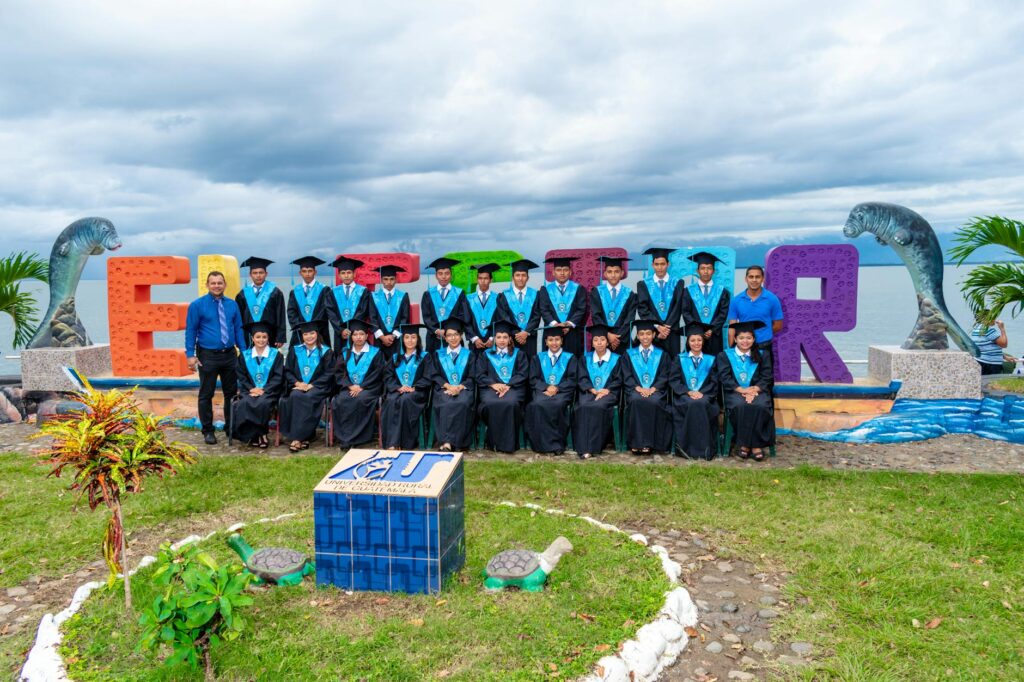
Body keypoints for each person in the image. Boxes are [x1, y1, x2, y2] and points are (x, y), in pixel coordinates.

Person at [185, 271, 246, 445]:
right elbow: (191, 331)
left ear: (224, 284)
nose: (217, 286)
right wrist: (190, 355)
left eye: (220, 283)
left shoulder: (232, 305)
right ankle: (208, 431)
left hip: (229, 355)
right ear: (207, 285)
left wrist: (244, 351)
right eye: (213, 283)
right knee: (206, 394)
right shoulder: (197, 305)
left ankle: (230, 428)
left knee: (231, 394)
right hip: (207, 355)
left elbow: (238, 328)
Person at [718, 321, 775, 461]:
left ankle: (753, 445)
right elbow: (724, 377)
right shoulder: (725, 355)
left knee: (760, 405)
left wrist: (754, 389)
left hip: (758, 391)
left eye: (749, 338)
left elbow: (767, 376)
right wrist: (742, 390)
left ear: (754, 339)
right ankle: (747, 444)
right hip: (735, 392)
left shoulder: (763, 354)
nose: (745, 341)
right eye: (741, 338)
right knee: (741, 405)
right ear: (735, 339)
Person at [279, 321, 336, 452]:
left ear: (317, 334)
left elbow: (329, 373)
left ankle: (297, 438)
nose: (309, 336)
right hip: (299, 386)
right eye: (305, 334)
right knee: (295, 395)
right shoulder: (295, 350)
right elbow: (288, 370)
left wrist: (312, 385)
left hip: (319, 387)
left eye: (312, 333)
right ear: (302, 336)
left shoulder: (326, 352)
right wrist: (298, 383)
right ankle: (306, 436)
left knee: (307, 397)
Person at [667, 323, 720, 460]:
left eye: (699, 340)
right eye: (692, 340)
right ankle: (689, 449)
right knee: (693, 403)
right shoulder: (679, 359)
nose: (696, 343)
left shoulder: (711, 360)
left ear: (703, 341)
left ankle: (704, 450)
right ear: (688, 342)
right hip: (684, 397)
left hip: (706, 396)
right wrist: (688, 392)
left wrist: (702, 393)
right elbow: (674, 380)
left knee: (700, 403)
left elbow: (715, 381)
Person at [331, 319, 387, 449]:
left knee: (360, 399)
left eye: (361, 334)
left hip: (369, 388)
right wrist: (351, 386)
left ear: (367, 336)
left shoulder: (376, 353)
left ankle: (357, 438)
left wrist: (362, 386)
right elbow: (339, 373)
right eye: (355, 334)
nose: (358, 337)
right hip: (349, 388)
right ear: (351, 336)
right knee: (342, 400)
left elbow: (378, 373)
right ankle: (345, 437)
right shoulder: (345, 353)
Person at [475, 320, 529, 452]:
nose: (502, 340)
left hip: (513, 388)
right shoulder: (486, 354)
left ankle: (508, 444)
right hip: (490, 388)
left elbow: (523, 374)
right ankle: (492, 442)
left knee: (511, 402)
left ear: (510, 339)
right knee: (490, 403)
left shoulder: (519, 354)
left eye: (505, 337)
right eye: (498, 337)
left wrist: (508, 385)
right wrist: (493, 384)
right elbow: (479, 375)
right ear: (494, 339)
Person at [524, 326, 578, 455]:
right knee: (536, 404)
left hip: (562, 393)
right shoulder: (538, 358)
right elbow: (533, 378)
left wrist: (557, 388)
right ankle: (540, 445)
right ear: (546, 342)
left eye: (557, 339)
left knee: (556, 404)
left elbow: (572, 379)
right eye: (551, 340)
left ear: (562, 341)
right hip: (543, 391)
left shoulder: (570, 358)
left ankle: (556, 444)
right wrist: (546, 387)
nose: (554, 343)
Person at [231, 321, 285, 448]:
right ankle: (254, 434)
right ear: (252, 338)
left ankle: (261, 434)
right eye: (258, 337)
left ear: (268, 338)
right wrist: (252, 389)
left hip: (269, 392)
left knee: (263, 403)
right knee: (244, 403)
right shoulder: (245, 356)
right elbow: (241, 376)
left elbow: (278, 376)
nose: (261, 340)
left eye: (264, 337)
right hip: (249, 391)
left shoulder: (276, 355)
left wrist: (264, 389)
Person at [572, 324, 622, 459]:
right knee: (583, 406)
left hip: (609, 393)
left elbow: (618, 379)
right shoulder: (585, 359)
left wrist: (607, 389)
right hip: (589, 392)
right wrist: (592, 389)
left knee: (597, 406)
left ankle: (594, 446)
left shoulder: (617, 359)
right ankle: (583, 447)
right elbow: (581, 378)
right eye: (596, 340)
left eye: (602, 339)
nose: (599, 343)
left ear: (607, 342)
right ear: (592, 343)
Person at [623, 320, 673, 454]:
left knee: (654, 401)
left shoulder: (662, 354)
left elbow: (665, 375)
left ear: (654, 335)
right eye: (641, 334)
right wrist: (638, 388)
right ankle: (636, 442)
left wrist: (653, 388)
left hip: (655, 391)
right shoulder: (629, 354)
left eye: (648, 334)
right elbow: (626, 375)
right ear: (637, 336)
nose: (645, 337)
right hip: (636, 390)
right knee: (635, 400)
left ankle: (650, 443)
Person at [426, 317, 476, 451]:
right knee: (446, 402)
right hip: (444, 389)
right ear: (445, 338)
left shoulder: (469, 355)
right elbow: (434, 375)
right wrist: (448, 386)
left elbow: (472, 376)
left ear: (461, 336)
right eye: (449, 335)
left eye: (455, 334)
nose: (453, 338)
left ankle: (453, 442)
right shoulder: (438, 354)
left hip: (463, 389)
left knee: (461, 403)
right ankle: (447, 442)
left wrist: (459, 387)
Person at [380, 324, 431, 450]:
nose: (410, 340)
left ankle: (403, 443)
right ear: (402, 340)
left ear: (418, 339)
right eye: (407, 337)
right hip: (398, 391)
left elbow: (428, 376)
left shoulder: (425, 357)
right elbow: (388, 377)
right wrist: (398, 387)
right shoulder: (395, 357)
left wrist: (415, 387)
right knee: (391, 401)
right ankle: (391, 443)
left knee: (405, 400)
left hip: (417, 393)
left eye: (413, 337)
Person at [636, 247, 685, 355]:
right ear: (652, 265)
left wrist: (666, 328)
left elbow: (678, 307)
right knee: (655, 363)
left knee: (673, 363)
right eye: (657, 264)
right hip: (654, 332)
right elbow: (643, 308)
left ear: (668, 264)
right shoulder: (643, 284)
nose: (660, 268)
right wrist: (658, 326)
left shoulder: (678, 283)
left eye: (662, 264)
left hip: (672, 332)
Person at [682, 252, 731, 358]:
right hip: (695, 338)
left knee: (715, 364)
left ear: (714, 271)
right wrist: (698, 330)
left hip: (715, 337)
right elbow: (686, 312)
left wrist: (712, 330)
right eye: (703, 268)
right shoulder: (687, 291)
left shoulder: (722, 292)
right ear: (697, 271)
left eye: (709, 268)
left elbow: (723, 314)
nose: (706, 271)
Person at [537, 256, 588, 356]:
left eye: (565, 270)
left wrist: (568, 324)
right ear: (553, 272)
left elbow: (581, 309)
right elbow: (543, 309)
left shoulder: (579, 289)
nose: (562, 273)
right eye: (559, 270)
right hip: (551, 333)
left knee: (573, 361)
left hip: (571, 333)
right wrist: (555, 325)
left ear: (570, 272)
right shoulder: (545, 289)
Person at [727, 265, 783, 354]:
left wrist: (763, 333)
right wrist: (731, 351)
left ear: (763, 279)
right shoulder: (736, 301)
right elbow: (732, 328)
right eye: (751, 277)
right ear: (746, 279)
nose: (754, 280)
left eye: (757, 277)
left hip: (765, 347)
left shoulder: (772, 299)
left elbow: (778, 325)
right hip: (743, 348)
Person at [421, 257, 471, 353]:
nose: (443, 277)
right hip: (433, 338)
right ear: (436, 276)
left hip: (454, 338)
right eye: (440, 273)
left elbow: (464, 315)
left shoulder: (459, 293)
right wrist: (436, 330)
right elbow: (426, 317)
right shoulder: (428, 294)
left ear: (451, 275)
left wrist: (450, 331)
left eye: (447, 273)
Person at [287, 256, 337, 349]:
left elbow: (326, 312)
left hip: (319, 332)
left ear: (315, 272)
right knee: (298, 358)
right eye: (304, 271)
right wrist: (302, 327)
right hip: (300, 332)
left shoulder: (324, 290)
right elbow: (291, 312)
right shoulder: (295, 292)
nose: (307, 274)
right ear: (300, 273)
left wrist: (313, 328)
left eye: (310, 271)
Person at [235, 257, 287, 348]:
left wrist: (280, 337)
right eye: (255, 273)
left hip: (270, 335)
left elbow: (280, 315)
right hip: (248, 336)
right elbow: (239, 318)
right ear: (250, 275)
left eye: (261, 272)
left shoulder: (275, 292)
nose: (258, 275)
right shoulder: (243, 294)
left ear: (266, 274)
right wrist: (238, 337)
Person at [590, 256, 637, 355]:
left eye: (616, 271)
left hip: (623, 341)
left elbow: (630, 319)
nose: (613, 275)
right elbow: (596, 316)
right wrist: (607, 335)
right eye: (610, 272)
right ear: (605, 274)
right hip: (602, 341)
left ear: (622, 273)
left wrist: (617, 338)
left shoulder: (629, 294)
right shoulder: (597, 292)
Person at [496, 258, 542, 358]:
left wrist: (526, 332)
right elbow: (504, 317)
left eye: (523, 275)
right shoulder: (504, 296)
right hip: (512, 339)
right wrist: (517, 334)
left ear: (528, 278)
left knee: (530, 364)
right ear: (513, 277)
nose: (520, 278)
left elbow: (537, 315)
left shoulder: (536, 294)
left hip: (529, 338)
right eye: (517, 275)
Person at [367, 265, 410, 358]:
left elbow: (405, 318)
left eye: (391, 279)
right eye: (385, 279)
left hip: (397, 339)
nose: (389, 282)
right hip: (379, 339)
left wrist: (393, 336)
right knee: (380, 365)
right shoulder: (374, 297)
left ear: (396, 279)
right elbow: (372, 318)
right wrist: (382, 337)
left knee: (397, 365)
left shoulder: (403, 296)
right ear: (381, 280)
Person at [330, 255, 371, 349]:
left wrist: (351, 329)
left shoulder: (363, 291)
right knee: (340, 359)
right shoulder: (332, 292)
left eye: (349, 272)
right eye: (343, 273)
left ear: (354, 274)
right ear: (339, 275)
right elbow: (331, 313)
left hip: (357, 333)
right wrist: (341, 330)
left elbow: (363, 311)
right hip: (340, 334)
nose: (346, 275)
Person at [467, 263, 502, 354]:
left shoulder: (498, 298)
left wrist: (492, 338)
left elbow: (500, 320)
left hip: (492, 343)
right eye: (480, 278)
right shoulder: (468, 299)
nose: (483, 281)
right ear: (476, 280)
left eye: (486, 278)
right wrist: (474, 338)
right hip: (474, 343)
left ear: (491, 280)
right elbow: (466, 321)